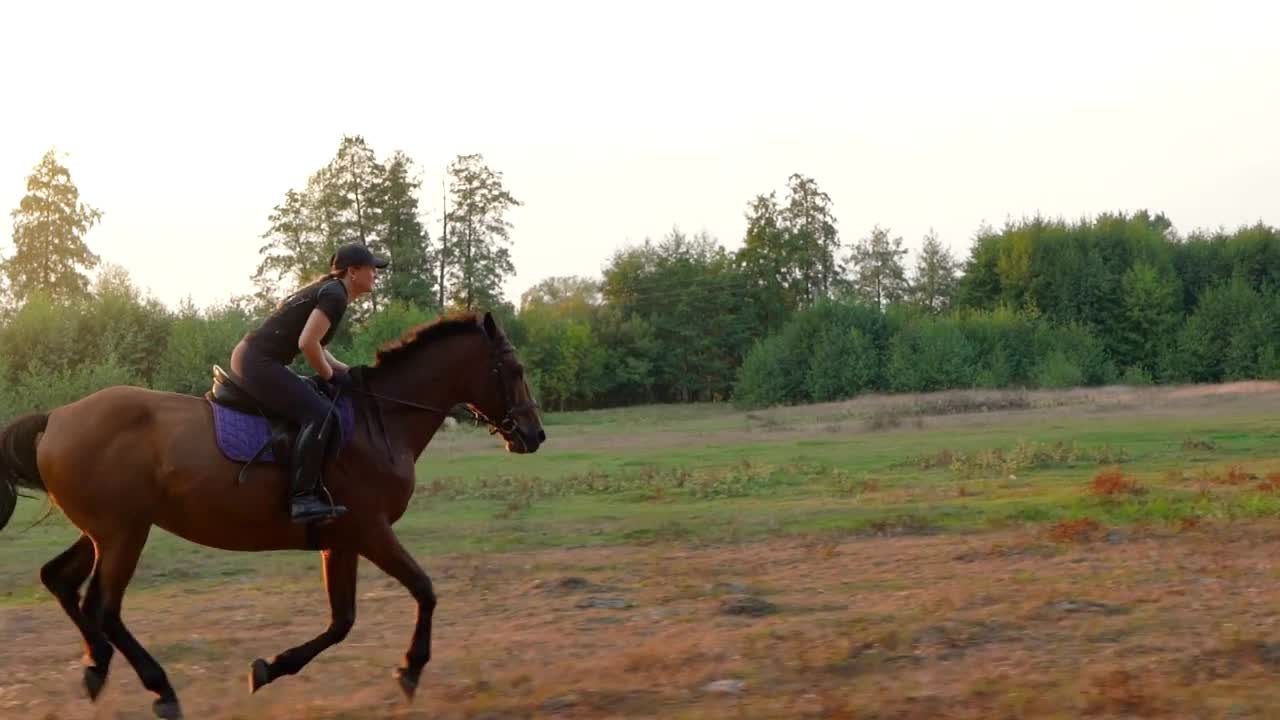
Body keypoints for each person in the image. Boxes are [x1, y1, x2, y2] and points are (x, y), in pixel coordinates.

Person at [230, 243, 387, 522]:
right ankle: (302, 499)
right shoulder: (335, 295)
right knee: (321, 414)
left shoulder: (332, 292)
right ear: (353, 271)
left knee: (319, 399)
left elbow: (319, 346)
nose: (376, 274)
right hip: (258, 364)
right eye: (372, 268)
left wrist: (347, 372)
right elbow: (307, 344)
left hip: (254, 359)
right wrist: (329, 376)